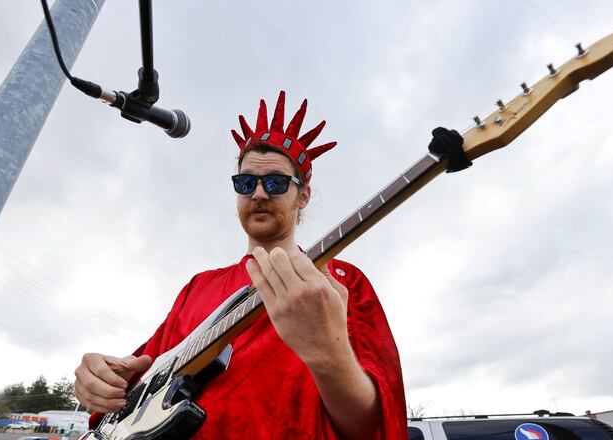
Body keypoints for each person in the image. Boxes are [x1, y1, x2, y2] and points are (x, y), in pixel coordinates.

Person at [74, 91, 407, 439]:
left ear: (303, 196)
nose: (259, 194)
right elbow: (137, 379)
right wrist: (98, 380)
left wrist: (329, 354)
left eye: (277, 183)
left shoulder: (340, 283)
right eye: (246, 183)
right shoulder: (198, 287)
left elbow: (376, 426)